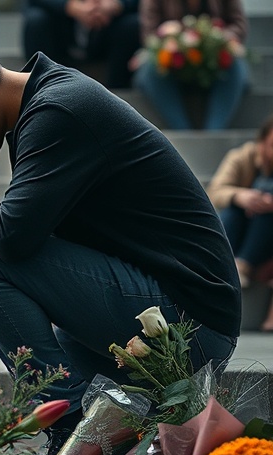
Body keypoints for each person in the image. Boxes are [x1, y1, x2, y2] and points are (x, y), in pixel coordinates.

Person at [0, 29, 240, 455]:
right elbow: (24, 238)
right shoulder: (47, 101)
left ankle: (73, 435)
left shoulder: (58, 111)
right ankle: (91, 436)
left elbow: (11, 238)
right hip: (162, 313)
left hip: (188, 325)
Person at [133, 0, 249, 130]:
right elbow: (150, 35)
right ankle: (182, 132)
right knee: (151, 68)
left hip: (214, 59)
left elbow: (238, 24)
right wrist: (174, 39)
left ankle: (214, 133)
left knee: (234, 63)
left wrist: (218, 37)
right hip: (171, 62)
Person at [206, 114, 273, 329]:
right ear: (261, 142)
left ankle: (241, 265)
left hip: (266, 241)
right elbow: (215, 191)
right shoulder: (241, 157)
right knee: (234, 205)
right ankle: (228, 264)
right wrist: (242, 197)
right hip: (238, 227)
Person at [22, 0, 141, 89]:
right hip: (61, 27)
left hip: (109, 28)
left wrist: (116, 5)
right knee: (36, 19)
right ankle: (40, 87)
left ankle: (118, 93)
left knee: (132, 24)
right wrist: (71, 6)